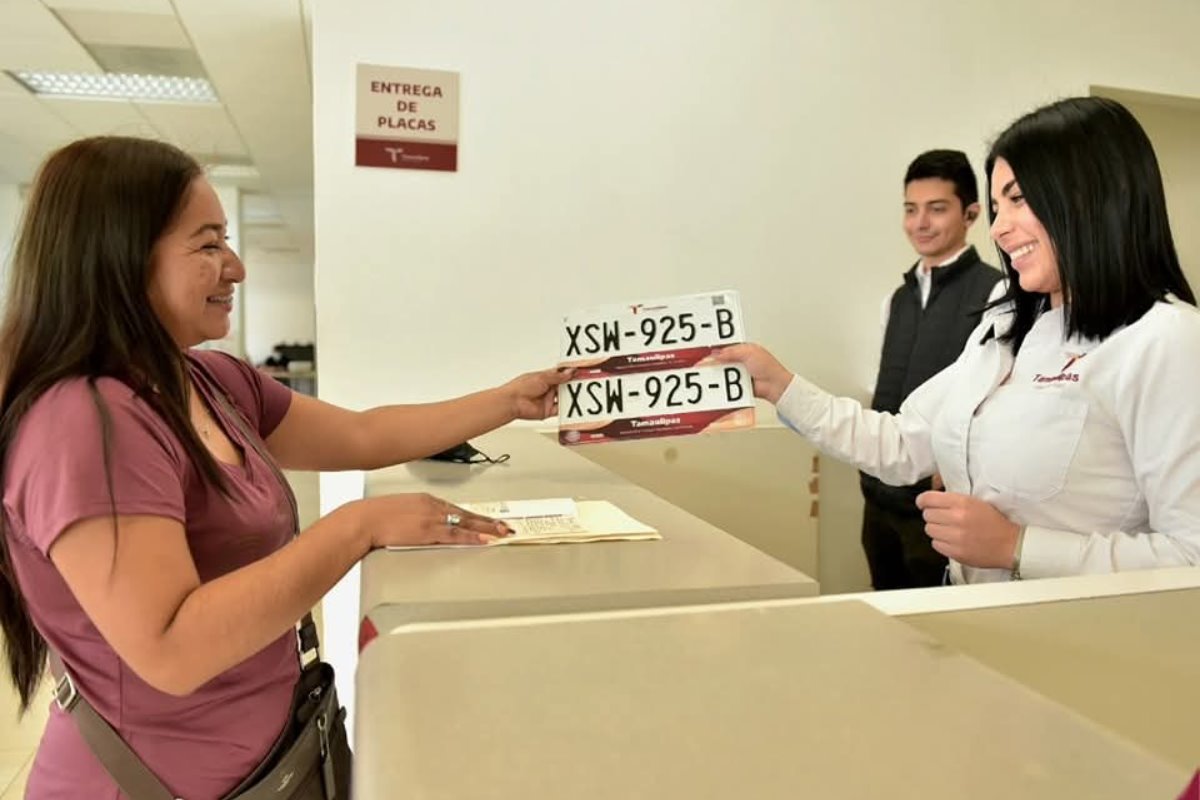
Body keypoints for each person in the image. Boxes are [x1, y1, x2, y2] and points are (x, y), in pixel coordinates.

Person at [0, 136, 569, 798]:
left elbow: (362, 434)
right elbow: (172, 646)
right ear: (120, 257)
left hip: (272, 768)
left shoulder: (211, 382)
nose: (235, 267)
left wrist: (508, 400)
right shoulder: (83, 422)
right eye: (208, 244)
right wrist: (357, 528)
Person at [716, 96, 1200, 585]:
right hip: (977, 621)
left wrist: (1018, 547)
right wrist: (780, 385)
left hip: (1075, 644)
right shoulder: (1007, 329)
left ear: (1092, 197)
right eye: (996, 206)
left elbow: (1191, 553)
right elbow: (903, 443)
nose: (1001, 228)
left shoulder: (1163, 341)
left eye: (1019, 199)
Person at [862, 149, 1002, 590]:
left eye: (937, 209)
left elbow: (999, 400)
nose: (920, 223)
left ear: (971, 213)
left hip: (941, 505)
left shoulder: (997, 292)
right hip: (879, 499)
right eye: (911, 209)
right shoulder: (896, 299)